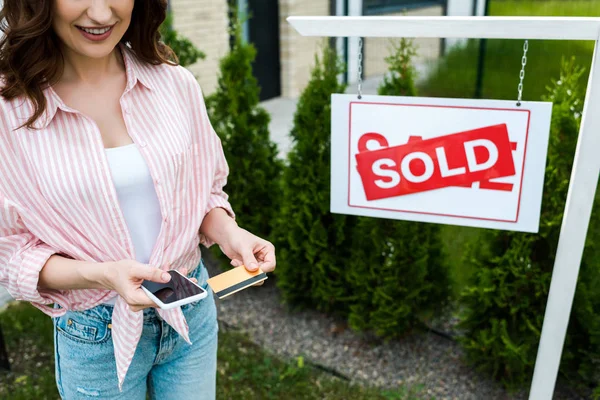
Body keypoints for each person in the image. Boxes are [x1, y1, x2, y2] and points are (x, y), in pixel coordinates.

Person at [0, 1, 276, 399]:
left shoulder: (174, 83)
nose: (100, 13)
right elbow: (10, 251)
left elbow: (202, 193)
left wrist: (232, 235)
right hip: (95, 331)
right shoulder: (10, 110)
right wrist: (103, 274)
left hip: (189, 310)